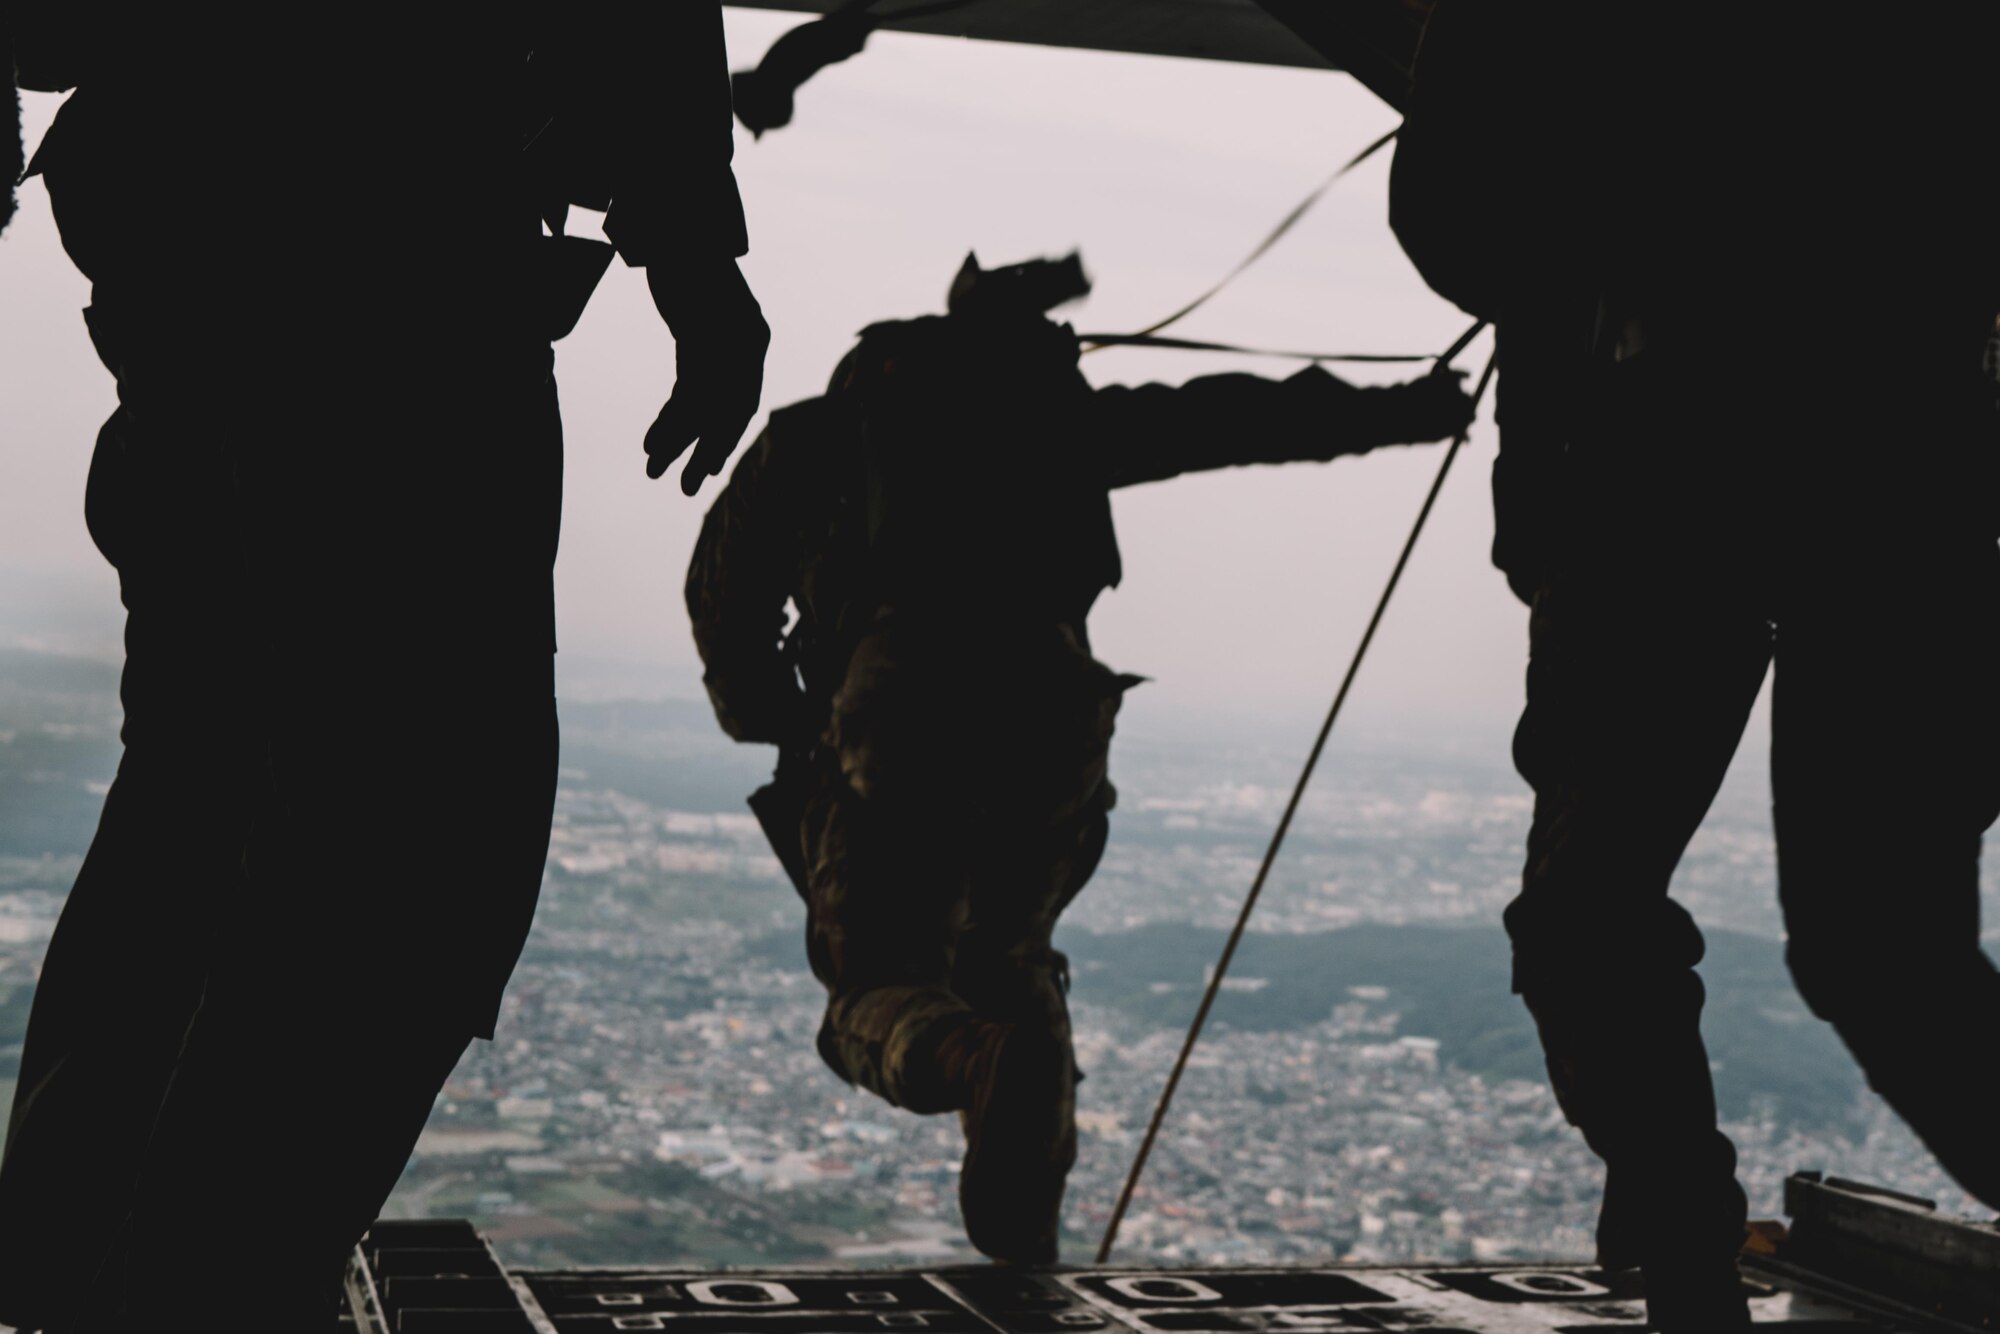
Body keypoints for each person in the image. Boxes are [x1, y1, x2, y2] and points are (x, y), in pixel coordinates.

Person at [0, 10, 766, 1329]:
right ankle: (190, 1291)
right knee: (410, 836)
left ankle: (73, 1268)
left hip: (181, 244)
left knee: (203, 798)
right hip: (393, 246)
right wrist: (692, 251)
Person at [1390, 5, 2000, 1328]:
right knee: (1882, 952)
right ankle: (1675, 1236)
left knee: (1597, 919)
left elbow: (1458, 220)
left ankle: (1679, 1243)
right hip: (1903, 471)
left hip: (1662, 464)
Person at [686, 252, 1474, 1263]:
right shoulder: (1059, 426)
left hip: (898, 701)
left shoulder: (815, 437)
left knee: (873, 982)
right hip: (1053, 708)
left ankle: (972, 1059)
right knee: (1008, 958)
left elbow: (721, 589)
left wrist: (779, 723)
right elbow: (1237, 416)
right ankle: (1025, 1226)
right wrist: (1411, 405)